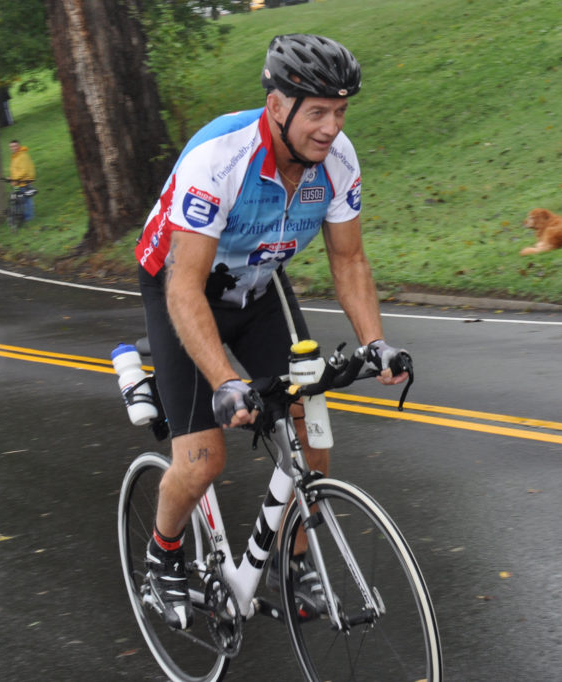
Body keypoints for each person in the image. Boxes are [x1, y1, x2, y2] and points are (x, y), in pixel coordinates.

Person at [134, 33, 410, 629]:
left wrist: (375, 342)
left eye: (340, 111)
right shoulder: (220, 157)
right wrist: (227, 380)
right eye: (318, 112)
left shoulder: (337, 160)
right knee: (203, 460)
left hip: (258, 283)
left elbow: (349, 261)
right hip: (183, 284)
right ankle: (163, 555)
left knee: (313, 430)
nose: (331, 127)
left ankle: (296, 560)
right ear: (277, 105)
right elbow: (185, 288)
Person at [7, 140, 36, 221]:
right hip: (18, 182)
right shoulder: (15, 156)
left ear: (19, 146)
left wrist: (14, 179)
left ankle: (29, 218)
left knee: (26, 200)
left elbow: (24, 171)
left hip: (23, 182)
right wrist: (11, 178)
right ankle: (21, 217)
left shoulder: (22, 156)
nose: (13, 148)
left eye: (15, 146)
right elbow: (16, 170)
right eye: (11, 147)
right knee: (18, 200)